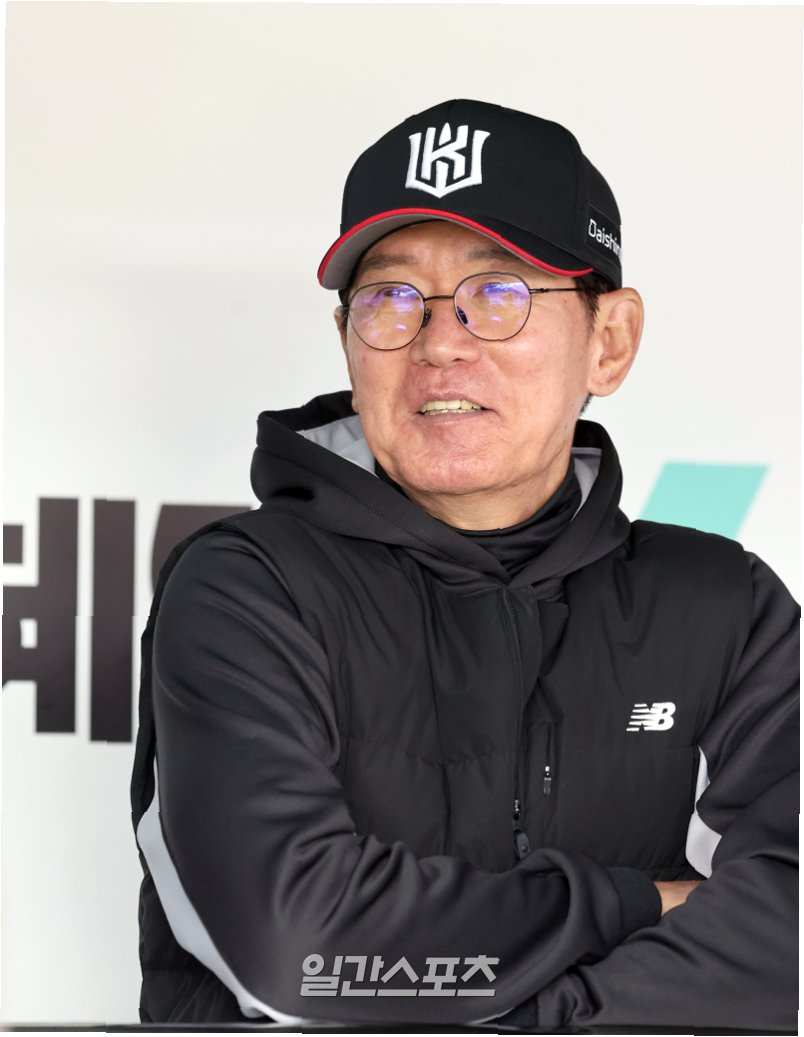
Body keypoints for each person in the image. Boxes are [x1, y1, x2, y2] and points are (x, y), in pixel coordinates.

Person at [130, 99, 799, 1030]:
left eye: (500, 293)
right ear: (348, 342)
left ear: (609, 341)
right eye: (391, 299)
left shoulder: (724, 607)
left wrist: (536, 1012)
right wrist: (640, 902)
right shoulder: (248, 588)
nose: (440, 341)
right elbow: (299, 954)